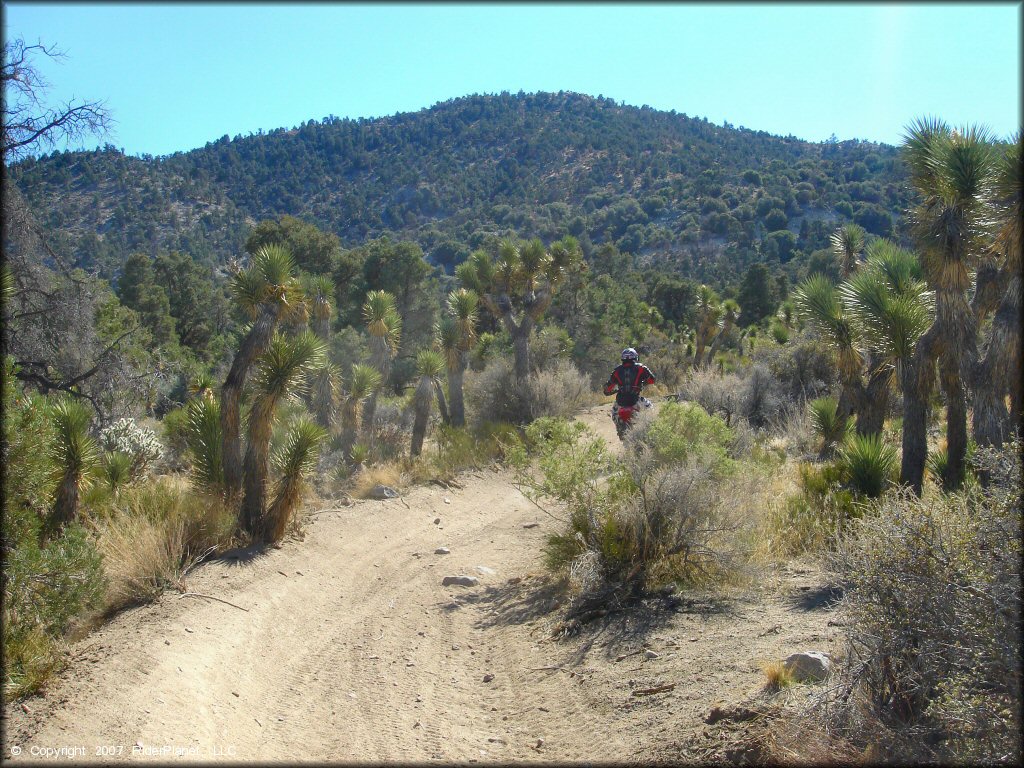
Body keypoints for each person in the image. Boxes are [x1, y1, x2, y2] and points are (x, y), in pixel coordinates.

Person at [603, 347, 655, 412]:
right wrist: (642, 383)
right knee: (650, 410)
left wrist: (612, 391)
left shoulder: (616, 371)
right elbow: (652, 380)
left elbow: (607, 389)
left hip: (620, 402)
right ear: (635, 357)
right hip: (635, 400)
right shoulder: (641, 368)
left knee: (614, 411)